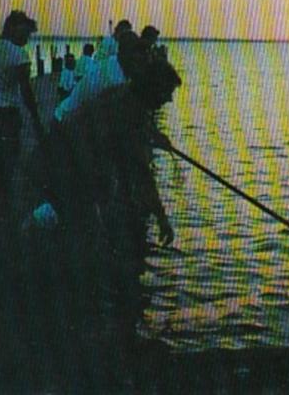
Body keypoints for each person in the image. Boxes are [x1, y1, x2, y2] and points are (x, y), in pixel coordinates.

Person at [27, 44, 182, 385]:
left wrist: (154, 137)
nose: (169, 100)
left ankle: (80, 318)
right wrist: (162, 218)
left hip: (65, 165)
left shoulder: (125, 97)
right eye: (168, 93)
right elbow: (140, 175)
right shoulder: (127, 110)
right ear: (154, 89)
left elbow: (133, 129)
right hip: (71, 173)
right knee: (89, 247)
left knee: (85, 241)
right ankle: (85, 339)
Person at [0, 10, 45, 219]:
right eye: (25, 33)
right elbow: (26, 91)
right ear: (12, 28)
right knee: (8, 163)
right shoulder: (17, 54)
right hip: (5, 114)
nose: (26, 39)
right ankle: (2, 211)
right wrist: (36, 119)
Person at [53, 30, 139, 123]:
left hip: (65, 111)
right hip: (68, 119)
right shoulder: (114, 77)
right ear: (126, 52)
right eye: (136, 51)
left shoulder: (111, 61)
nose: (138, 56)